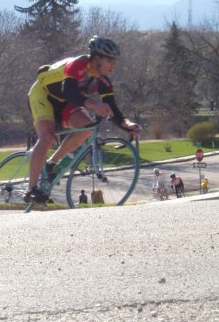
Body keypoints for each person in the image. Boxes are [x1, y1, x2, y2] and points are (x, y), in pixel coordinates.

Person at [24, 35, 141, 203]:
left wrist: (128, 125)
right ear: (97, 58)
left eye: (115, 60)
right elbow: (69, 91)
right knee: (47, 137)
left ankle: (51, 164)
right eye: (110, 60)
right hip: (43, 95)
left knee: (87, 127)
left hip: (65, 102)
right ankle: (31, 189)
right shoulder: (78, 65)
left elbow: (112, 109)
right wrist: (93, 104)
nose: (114, 64)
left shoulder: (103, 81)